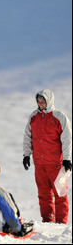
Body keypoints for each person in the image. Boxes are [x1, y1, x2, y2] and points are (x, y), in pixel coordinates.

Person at [23, 89, 72, 224]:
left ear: (49, 101)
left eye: (43, 101)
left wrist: (67, 158)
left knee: (60, 194)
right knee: (43, 194)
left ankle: (61, 223)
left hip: (57, 164)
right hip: (40, 164)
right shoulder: (33, 117)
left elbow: (67, 138)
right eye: (38, 101)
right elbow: (28, 137)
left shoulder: (59, 117)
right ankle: (48, 220)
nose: (40, 103)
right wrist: (26, 155)